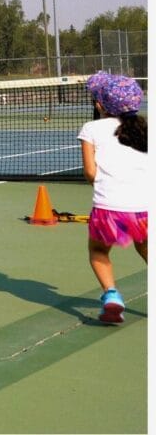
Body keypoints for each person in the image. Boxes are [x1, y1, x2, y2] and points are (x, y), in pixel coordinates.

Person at [78, 72, 147, 324]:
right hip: (145, 209)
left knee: (98, 251)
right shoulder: (146, 128)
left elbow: (90, 172)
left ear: (100, 105)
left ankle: (112, 296)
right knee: (146, 247)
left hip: (108, 208)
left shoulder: (91, 129)